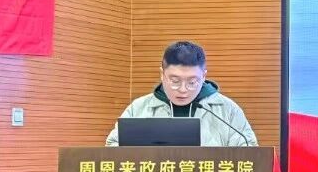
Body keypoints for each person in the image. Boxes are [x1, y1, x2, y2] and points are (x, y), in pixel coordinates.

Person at [105, 40, 258, 147]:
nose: (183, 89)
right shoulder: (139, 108)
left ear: (203, 76)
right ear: (162, 74)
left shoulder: (227, 110)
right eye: (175, 81)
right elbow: (113, 147)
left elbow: (249, 153)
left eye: (192, 82)